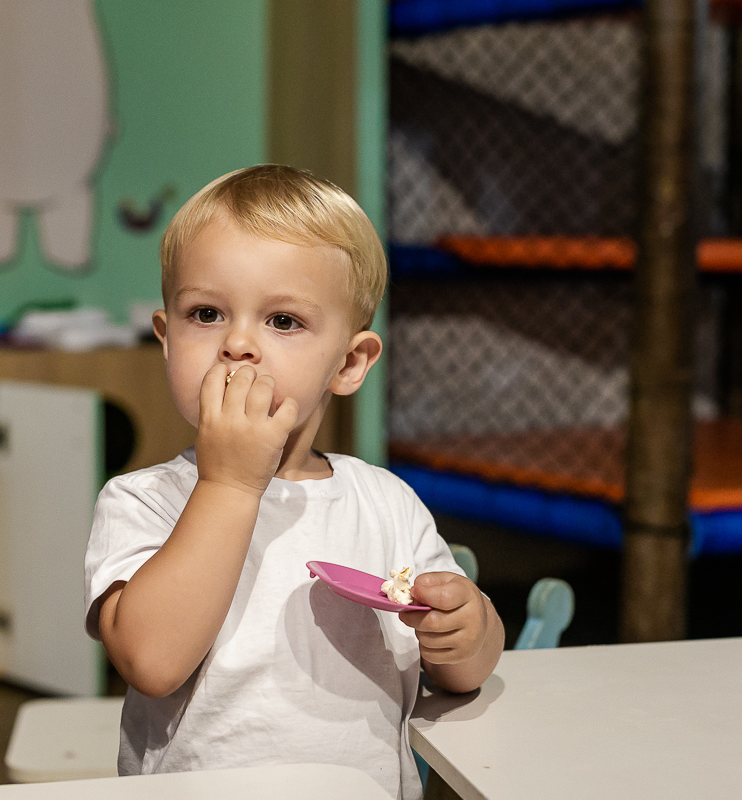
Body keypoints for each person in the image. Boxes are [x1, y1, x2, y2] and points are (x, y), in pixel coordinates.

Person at [84, 164, 504, 799]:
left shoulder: (383, 503)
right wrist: (229, 483)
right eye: (206, 313)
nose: (239, 344)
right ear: (167, 341)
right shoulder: (144, 500)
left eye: (283, 321)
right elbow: (152, 661)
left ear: (349, 362)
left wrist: (465, 631)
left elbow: (463, 671)